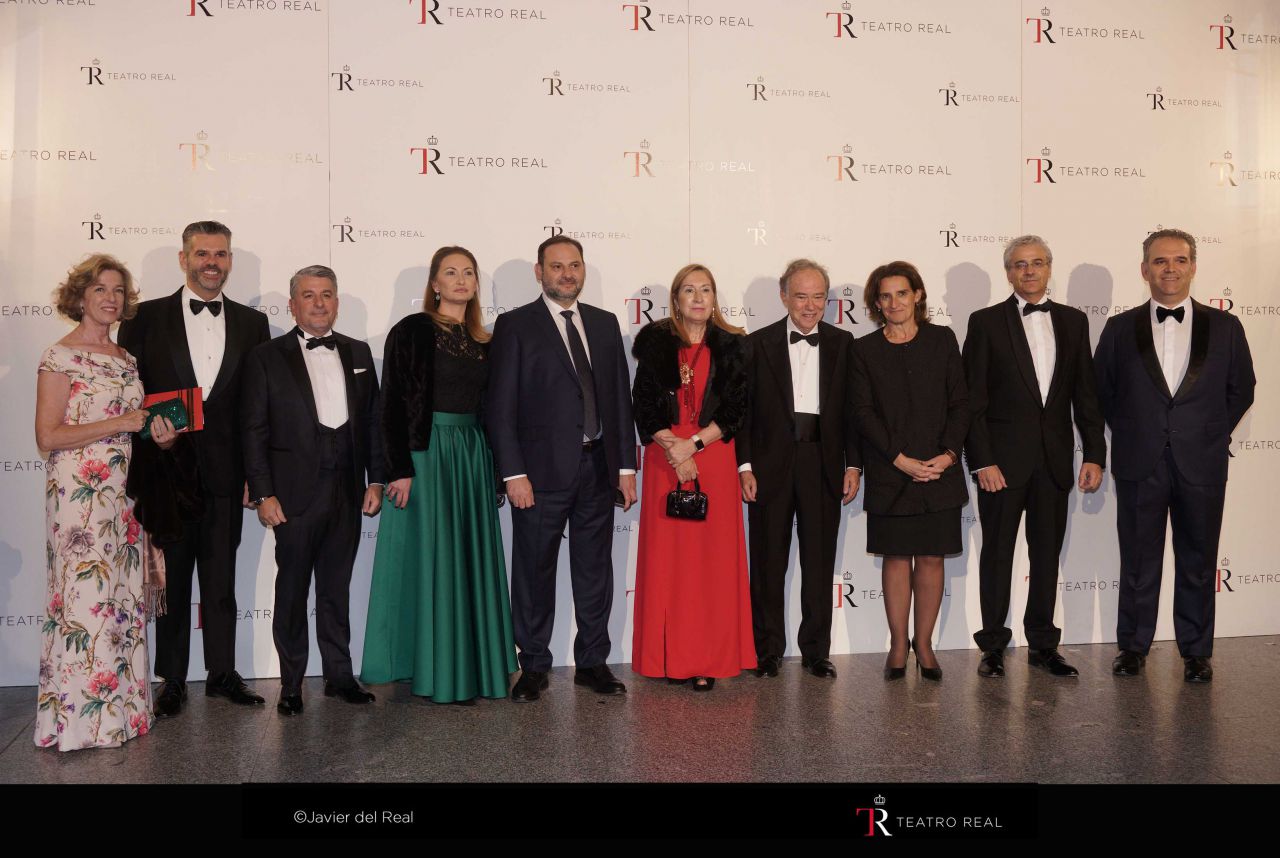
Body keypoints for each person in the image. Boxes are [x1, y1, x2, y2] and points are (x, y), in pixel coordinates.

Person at [117, 220, 270, 715]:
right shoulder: (144, 318)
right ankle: (173, 678)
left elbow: (256, 406)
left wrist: (256, 475)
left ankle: (223, 673)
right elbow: (130, 394)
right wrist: (151, 436)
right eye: (202, 253)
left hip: (228, 474)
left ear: (230, 261)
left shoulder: (252, 323)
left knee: (222, 580)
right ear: (183, 259)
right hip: (168, 472)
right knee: (175, 580)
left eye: (220, 254)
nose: (211, 263)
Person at [1095, 228, 1255, 683]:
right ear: (1144, 269)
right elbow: (1101, 390)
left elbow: (1242, 388)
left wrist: (1206, 434)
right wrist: (1134, 430)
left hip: (1201, 463)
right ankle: (1132, 647)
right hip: (1139, 460)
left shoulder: (1225, 327)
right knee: (1137, 561)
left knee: (1199, 561)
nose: (1170, 269)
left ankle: (1196, 652)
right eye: (1160, 261)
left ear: (1193, 267)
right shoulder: (1119, 328)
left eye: (1180, 260)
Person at [361, 247, 517, 704]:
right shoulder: (411, 330)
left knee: (466, 561)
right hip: (426, 455)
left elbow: (494, 410)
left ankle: (472, 665)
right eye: (451, 272)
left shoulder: (484, 340)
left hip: (471, 456)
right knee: (430, 559)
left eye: (468, 272)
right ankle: (431, 669)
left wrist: (494, 471)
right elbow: (391, 403)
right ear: (434, 283)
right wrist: (398, 469)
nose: (461, 279)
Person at [485, 235, 638, 702]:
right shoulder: (515, 325)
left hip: (598, 468)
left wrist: (626, 467)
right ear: (539, 272)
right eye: (556, 266)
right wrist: (513, 473)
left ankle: (592, 662)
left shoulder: (605, 324)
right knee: (534, 572)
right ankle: (533, 665)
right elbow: (499, 406)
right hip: (537, 475)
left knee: (595, 572)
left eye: (574, 265)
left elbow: (619, 399)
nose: (567, 274)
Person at [35, 254, 178, 750]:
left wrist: (159, 437)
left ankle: (123, 716)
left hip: (125, 494)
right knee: (84, 602)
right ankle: (78, 722)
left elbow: (137, 427)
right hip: (79, 497)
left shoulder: (126, 359)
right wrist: (121, 422)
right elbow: (48, 435)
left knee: (121, 600)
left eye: (118, 290)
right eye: (99, 289)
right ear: (80, 297)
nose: (111, 298)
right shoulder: (59, 356)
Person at [241, 266, 384, 715]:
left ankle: (340, 677)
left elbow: (374, 423)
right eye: (308, 295)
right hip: (293, 495)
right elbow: (253, 430)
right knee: (291, 591)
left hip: (347, 490)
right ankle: (291, 684)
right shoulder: (266, 357)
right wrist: (263, 493)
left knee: (336, 590)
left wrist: (376, 479)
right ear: (292, 305)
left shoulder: (359, 351)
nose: (319, 303)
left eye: (326, 294)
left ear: (336, 302)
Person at [963, 236, 1106, 679]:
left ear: (1049, 268)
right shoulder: (985, 322)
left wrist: (1094, 454)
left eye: (1037, 263)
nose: (1029, 271)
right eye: (1020, 265)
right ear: (1008, 272)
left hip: (1054, 461)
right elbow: (972, 401)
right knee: (997, 555)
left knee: (1046, 556)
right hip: (1001, 466)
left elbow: (1085, 395)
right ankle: (992, 645)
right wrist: (982, 461)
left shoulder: (1074, 321)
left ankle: (1043, 644)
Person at [630, 264, 754, 691]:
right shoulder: (656, 344)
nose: (698, 298)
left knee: (710, 567)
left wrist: (693, 445)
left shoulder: (733, 346)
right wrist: (673, 448)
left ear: (715, 298)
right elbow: (643, 405)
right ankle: (667, 657)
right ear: (676, 299)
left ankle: (706, 660)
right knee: (669, 566)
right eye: (689, 290)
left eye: (705, 290)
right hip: (665, 461)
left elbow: (736, 410)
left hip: (713, 459)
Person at [737, 259, 860, 680]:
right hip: (769, 466)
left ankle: (816, 652)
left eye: (818, 297)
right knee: (767, 563)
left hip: (823, 463)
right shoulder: (756, 345)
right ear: (783, 296)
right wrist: (745, 466)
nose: (810, 306)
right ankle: (767, 651)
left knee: (819, 563)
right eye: (801, 296)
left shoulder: (844, 344)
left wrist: (854, 464)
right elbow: (743, 414)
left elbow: (854, 412)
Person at [851, 261, 968, 682]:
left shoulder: (942, 339)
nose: (894, 302)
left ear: (917, 295)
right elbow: (862, 412)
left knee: (932, 558)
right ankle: (898, 645)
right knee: (897, 557)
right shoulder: (864, 350)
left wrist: (949, 455)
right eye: (885, 296)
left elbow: (960, 402)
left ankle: (925, 644)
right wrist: (898, 459)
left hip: (939, 470)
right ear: (876, 303)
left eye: (902, 293)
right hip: (891, 471)